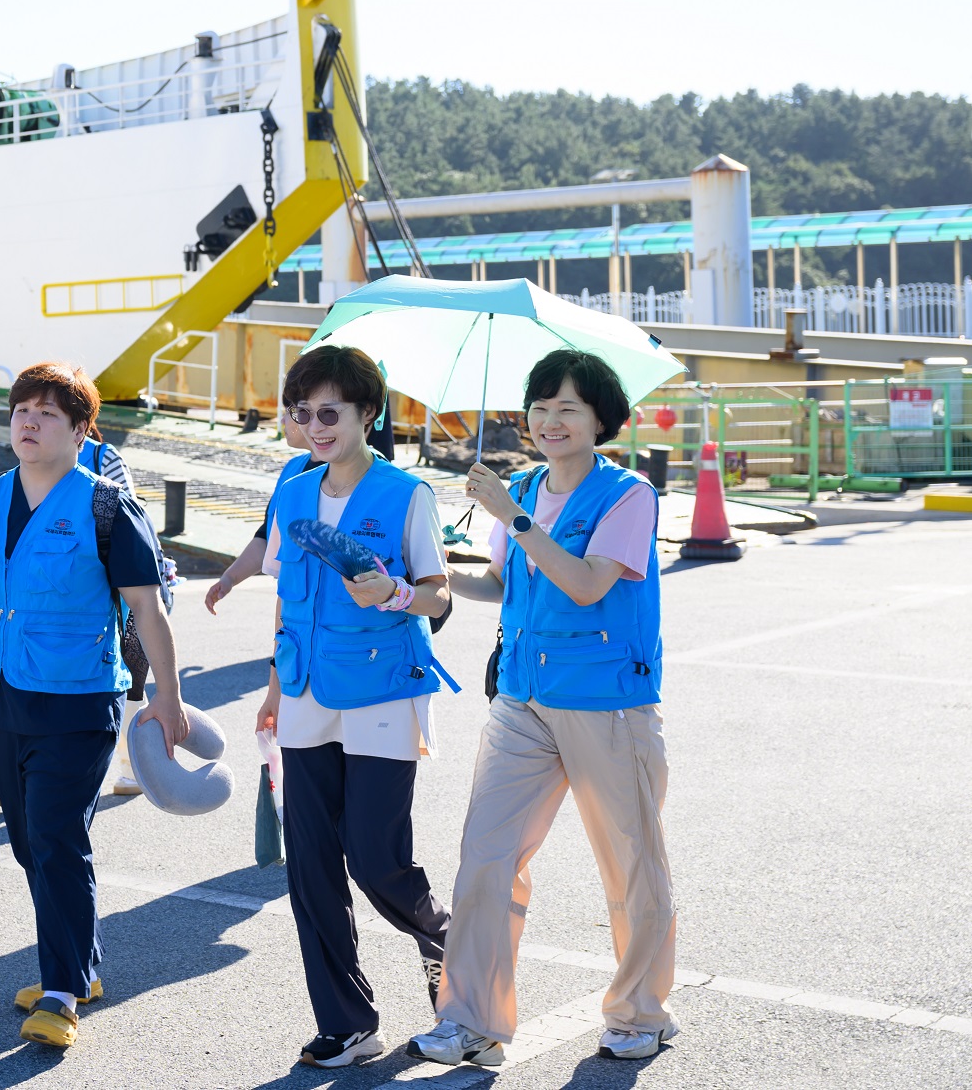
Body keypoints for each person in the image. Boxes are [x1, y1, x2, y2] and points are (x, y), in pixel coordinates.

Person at [0, 362, 184, 1051]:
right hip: (1, 694)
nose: (27, 422)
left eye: (47, 414)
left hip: (80, 700)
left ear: (81, 431)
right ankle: (77, 966)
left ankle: (59, 991)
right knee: (30, 842)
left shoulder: (107, 507)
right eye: (21, 409)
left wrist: (169, 696)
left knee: (58, 836)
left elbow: (146, 606)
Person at [408, 350, 676, 1068]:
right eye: (539, 406)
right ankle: (470, 1019)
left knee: (629, 862)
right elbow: (503, 581)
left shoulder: (627, 496)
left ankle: (639, 1011)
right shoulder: (521, 485)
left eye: (567, 408)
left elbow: (586, 584)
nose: (549, 420)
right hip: (520, 699)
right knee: (486, 858)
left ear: (600, 421)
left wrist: (514, 516)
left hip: (606, 705)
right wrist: (424, 578)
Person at [259, 343, 458, 1069]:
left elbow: (438, 595)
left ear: (367, 413)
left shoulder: (406, 494)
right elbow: (285, 598)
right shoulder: (289, 493)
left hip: (382, 689)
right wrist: (273, 687)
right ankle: (347, 1023)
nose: (316, 425)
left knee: (375, 859)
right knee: (308, 865)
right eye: (303, 412)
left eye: (331, 412)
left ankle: (447, 942)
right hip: (305, 689)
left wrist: (395, 594)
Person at [203, 411, 312, 616]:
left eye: (291, 411)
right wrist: (229, 579)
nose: (282, 420)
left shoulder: (351, 473)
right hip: (292, 606)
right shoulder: (294, 467)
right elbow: (267, 536)